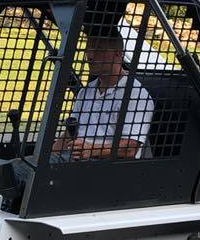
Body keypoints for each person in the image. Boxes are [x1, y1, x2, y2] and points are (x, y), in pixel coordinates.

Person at [53, 32, 155, 161]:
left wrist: (91, 149)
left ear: (117, 54)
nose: (90, 56)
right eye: (88, 49)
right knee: (25, 165)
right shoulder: (86, 91)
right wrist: (45, 155)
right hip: (73, 158)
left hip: (104, 165)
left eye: (98, 50)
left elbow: (130, 148)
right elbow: (70, 132)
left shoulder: (136, 95)